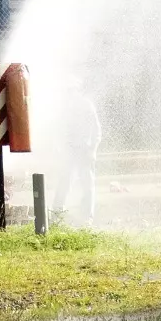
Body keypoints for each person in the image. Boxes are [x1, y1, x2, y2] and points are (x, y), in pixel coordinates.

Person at [53, 77, 102, 225]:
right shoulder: (65, 108)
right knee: (65, 180)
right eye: (68, 91)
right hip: (70, 150)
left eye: (72, 91)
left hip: (85, 150)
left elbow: (97, 131)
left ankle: (87, 217)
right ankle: (57, 214)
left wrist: (92, 150)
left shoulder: (87, 106)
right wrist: (60, 148)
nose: (70, 94)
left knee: (87, 182)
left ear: (78, 91)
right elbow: (59, 130)